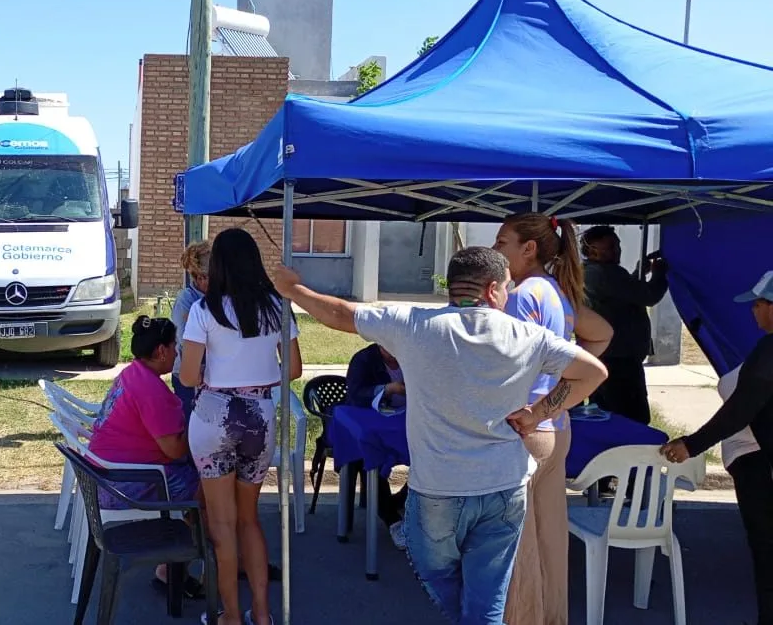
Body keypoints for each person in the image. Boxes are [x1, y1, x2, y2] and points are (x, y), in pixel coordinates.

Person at [272, 247, 608, 625]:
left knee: (436, 572)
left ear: (454, 285)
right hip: (504, 485)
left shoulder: (414, 325)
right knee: (488, 599)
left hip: (438, 488)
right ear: (494, 289)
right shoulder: (528, 336)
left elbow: (338, 314)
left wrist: (293, 289)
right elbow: (593, 371)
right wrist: (537, 414)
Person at [179, 228, 302, 625]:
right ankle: (262, 614)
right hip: (259, 416)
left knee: (222, 523)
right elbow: (295, 370)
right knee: (249, 518)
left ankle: (230, 615)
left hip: (213, 415)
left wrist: (214, 379)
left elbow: (186, 376)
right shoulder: (277, 306)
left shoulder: (203, 311)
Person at [494, 213, 613, 625]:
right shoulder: (559, 293)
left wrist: (541, 402)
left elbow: (505, 366)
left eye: (502, 242)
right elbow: (601, 334)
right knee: (549, 540)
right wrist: (559, 391)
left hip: (523, 431)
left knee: (519, 547)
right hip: (555, 431)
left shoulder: (523, 295)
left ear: (528, 249)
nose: (496, 251)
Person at [662, 270, 773, 624]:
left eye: (759, 303)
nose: (754, 311)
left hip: (763, 465)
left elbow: (742, 408)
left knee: (767, 549)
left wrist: (691, 445)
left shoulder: (770, 351)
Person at [87, 315, 205, 598]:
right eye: (174, 346)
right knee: (209, 492)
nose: (177, 352)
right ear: (161, 351)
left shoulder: (133, 372)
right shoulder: (150, 390)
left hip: (104, 476)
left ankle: (178, 565)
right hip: (123, 485)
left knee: (200, 481)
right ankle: (177, 568)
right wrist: (199, 422)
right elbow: (175, 449)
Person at [581, 225, 669, 425]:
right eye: (610, 247)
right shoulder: (604, 273)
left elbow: (620, 297)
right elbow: (649, 295)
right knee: (631, 419)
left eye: (617, 245)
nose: (617, 250)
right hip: (619, 361)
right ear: (592, 251)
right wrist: (660, 273)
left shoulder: (592, 272)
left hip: (607, 357)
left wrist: (639, 272)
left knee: (606, 416)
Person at [344, 343, 409, 550]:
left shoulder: (412, 354)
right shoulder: (363, 359)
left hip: (406, 422)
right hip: (369, 425)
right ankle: (393, 521)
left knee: (429, 454)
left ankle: (402, 502)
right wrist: (387, 390)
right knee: (369, 459)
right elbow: (355, 395)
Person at [171, 241, 211, 415]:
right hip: (189, 376)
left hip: (212, 376)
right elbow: (185, 342)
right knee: (190, 427)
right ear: (200, 277)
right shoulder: (187, 300)